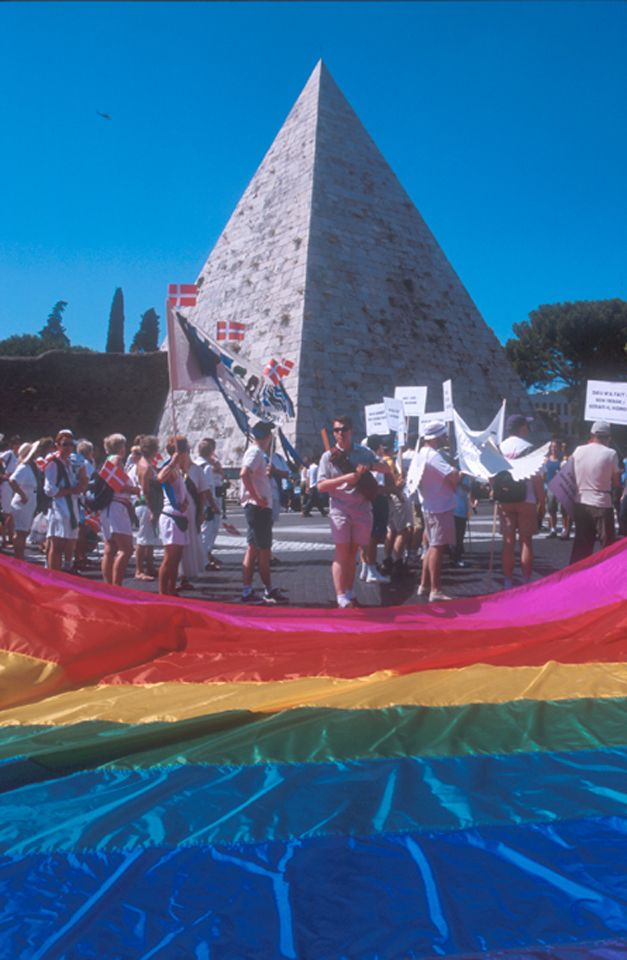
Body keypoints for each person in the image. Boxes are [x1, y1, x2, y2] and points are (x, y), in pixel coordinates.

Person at [317, 415, 391, 608]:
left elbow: (386, 468)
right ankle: (341, 595)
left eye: (344, 429)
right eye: (336, 430)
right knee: (342, 552)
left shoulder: (363, 452)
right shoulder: (328, 456)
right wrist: (345, 479)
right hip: (340, 507)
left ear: (351, 430)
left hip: (361, 508)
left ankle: (349, 590)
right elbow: (321, 486)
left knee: (353, 552)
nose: (340, 433)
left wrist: (370, 466)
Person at [240, 421, 288, 605]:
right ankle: (265, 590)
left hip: (256, 507)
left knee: (253, 549)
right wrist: (257, 497)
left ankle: (250, 589)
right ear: (268, 436)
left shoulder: (255, 453)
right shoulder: (256, 452)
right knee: (264, 552)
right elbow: (244, 474)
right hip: (258, 508)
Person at [497, 414, 545, 589]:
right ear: (522, 428)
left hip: (505, 499)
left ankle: (508, 581)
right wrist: (542, 502)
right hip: (527, 498)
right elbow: (538, 478)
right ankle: (526, 580)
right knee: (526, 541)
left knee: (507, 542)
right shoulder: (530, 449)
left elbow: (491, 476)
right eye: (526, 425)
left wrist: (496, 492)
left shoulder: (498, 448)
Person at [414, 421, 459, 601]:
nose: (445, 439)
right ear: (436, 438)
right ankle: (435, 589)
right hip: (439, 506)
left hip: (431, 505)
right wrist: (457, 472)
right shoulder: (434, 456)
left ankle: (424, 585)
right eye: (443, 435)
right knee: (436, 548)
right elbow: (452, 477)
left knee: (431, 546)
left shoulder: (422, 454)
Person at [570, 420, 621, 564]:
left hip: (580, 501)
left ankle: (575, 578)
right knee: (608, 547)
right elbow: (616, 483)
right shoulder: (611, 453)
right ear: (608, 437)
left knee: (581, 546)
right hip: (602, 502)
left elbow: (570, 474)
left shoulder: (578, 450)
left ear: (592, 435)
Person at [99, 434, 140, 586]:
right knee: (127, 549)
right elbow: (117, 485)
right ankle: (117, 586)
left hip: (109, 507)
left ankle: (109, 585)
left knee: (110, 548)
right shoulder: (117, 460)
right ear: (121, 447)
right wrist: (135, 490)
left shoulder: (109, 460)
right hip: (116, 506)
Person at [44, 429, 88, 572]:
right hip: (59, 507)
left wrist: (81, 483)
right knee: (57, 545)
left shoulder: (68, 463)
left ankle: (61, 572)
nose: (68, 447)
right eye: (65, 444)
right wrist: (71, 490)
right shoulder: (53, 463)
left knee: (67, 542)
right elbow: (50, 490)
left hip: (71, 506)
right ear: (57, 445)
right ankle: (53, 576)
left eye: (71, 444)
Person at [157, 435, 190, 595]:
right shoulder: (170, 467)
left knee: (176, 558)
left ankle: (171, 589)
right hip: (170, 516)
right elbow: (160, 478)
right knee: (169, 558)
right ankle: (163, 593)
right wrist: (172, 461)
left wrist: (185, 503)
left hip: (179, 514)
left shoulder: (178, 469)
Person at [134, 435, 162, 581]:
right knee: (143, 538)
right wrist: (151, 508)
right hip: (146, 505)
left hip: (149, 505)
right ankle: (139, 570)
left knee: (150, 538)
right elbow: (145, 491)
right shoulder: (145, 467)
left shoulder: (145, 464)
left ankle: (150, 566)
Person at [197, 438, 222, 571]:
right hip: (207, 504)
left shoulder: (194, 464)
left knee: (201, 533)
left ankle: (202, 558)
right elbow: (206, 489)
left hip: (197, 503)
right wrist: (213, 505)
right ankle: (204, 560)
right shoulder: (206, 468)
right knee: (207, 532)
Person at [5, 442, 32, 559]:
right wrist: (22, 495)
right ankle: (18, 557)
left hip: (28, 500)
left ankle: (20, 556)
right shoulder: (24, 467)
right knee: (20, 531)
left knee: (24, 531)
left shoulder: (29, 467)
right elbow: (12, 480)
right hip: (23, 501)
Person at [542, 440, 563, 537]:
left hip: (560, 487)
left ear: (559, 448)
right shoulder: (546, 460)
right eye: (552, 447)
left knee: (562, 509)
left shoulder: (562, 459)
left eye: (555, 447)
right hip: (549, 487)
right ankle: (553, 529)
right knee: (551, 509)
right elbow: (544, 474)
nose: (553, 449)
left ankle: (564, 528)